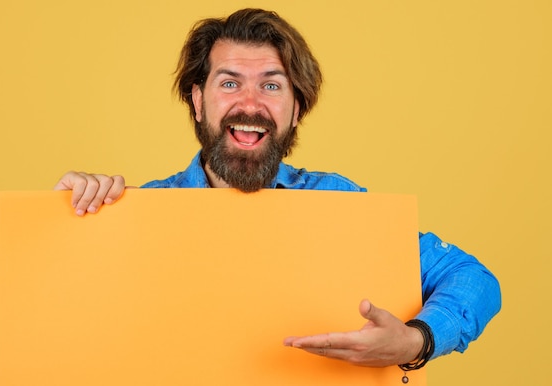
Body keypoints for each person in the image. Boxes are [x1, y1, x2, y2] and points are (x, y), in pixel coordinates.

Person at [54, 8, 501, 375]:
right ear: (196, 100)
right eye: (230, 83)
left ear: (296, 108)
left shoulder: (341, 205)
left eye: (271, 85)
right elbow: (68, 331)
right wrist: (70, 222)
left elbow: (474, 280)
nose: (250, 104)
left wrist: (415, 340)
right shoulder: (140, 213)